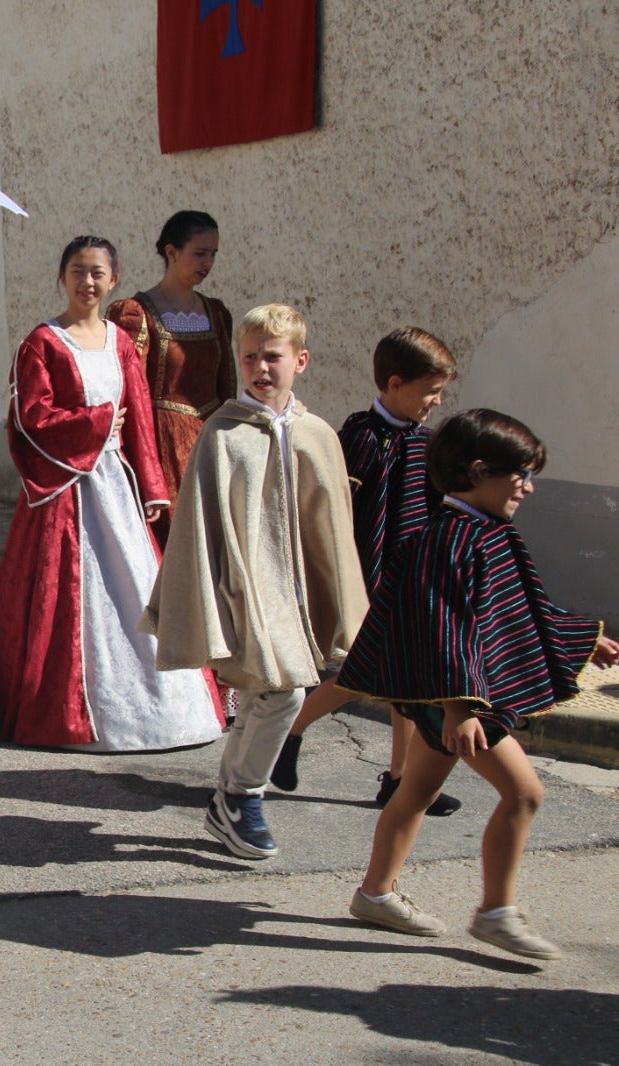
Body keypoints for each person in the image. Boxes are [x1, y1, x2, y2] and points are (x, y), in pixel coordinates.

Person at [342, 410, 617, 959]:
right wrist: (459, 708)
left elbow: (520, 609)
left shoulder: (483, 532)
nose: (529, 488)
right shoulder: (451, 539)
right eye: (520, 476)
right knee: (524, 792)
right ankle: (496, 914)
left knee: (416, 791)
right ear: (478, 471)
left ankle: (375, 894)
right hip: (458, 698)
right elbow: (445, 628)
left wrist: (584, 638)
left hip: (450, 698)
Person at [0, 236, 222, 751]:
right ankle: (63, 710)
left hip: (115, 486)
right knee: (64, 596)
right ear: (61, 277)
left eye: (97, 273)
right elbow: (31, 418)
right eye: (77, 271)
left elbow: (141, 423)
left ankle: (158, 707)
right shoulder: (41, 343)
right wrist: (98, 420)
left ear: (113, 279)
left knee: (133, 587)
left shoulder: (122, 343)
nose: (87, 282)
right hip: (64, 491)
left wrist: (153, 487)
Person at [144, 304, 366, 860]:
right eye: (249, 358)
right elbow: (202, 526)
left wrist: (337, 602)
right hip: (245, 589)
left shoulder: (317, 434)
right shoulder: (222, 433)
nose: (260, 368)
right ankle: (243, 795)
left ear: (300, 360)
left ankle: (228, 797)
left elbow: (331, 530)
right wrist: (212, 594)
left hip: (297, 597)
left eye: (273, 356)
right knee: (283, 689)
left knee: (270, 691)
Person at [271, 327, 462, 815]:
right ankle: (290, 731)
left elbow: (438, 509)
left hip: (414, 580)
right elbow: (330, 514)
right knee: (370, 674)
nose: (436, 401)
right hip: (369, 578)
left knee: (404, 683)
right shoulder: (356, 439)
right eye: (430, 390)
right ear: (395, 383)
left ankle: (398, 780)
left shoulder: (428, 444)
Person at [107, 210, 236, 546]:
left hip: (209, 440)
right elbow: (127, 389)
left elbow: (227, 383)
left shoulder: (216, 314)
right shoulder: (136, 314)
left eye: (213, 254)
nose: (207, 262)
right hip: (160, 443)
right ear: (172, 252)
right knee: (172, 542)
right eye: (199, 253)